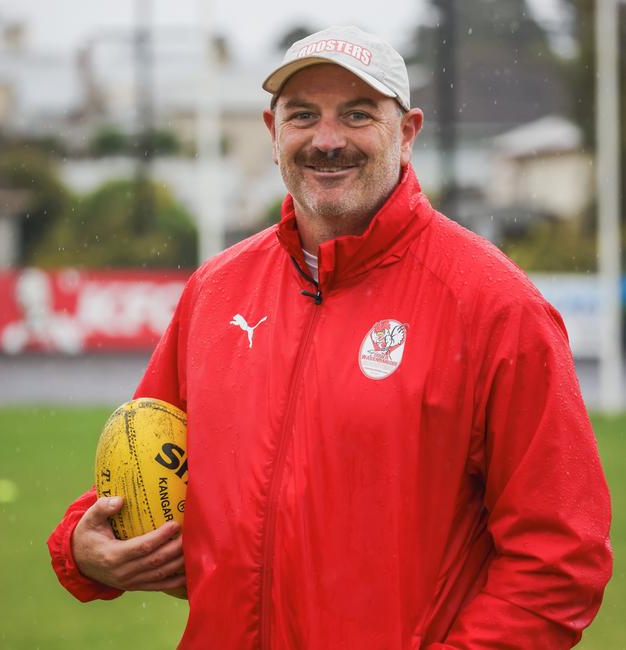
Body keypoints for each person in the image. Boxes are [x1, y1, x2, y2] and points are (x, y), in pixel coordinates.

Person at [48, 25, 612, 649]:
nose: (326, 140)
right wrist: (81, 545)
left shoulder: (495, 305)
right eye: (303, 115)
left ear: (407, 133)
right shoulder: (217, 290)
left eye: (357, 114)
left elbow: (560, 555)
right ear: (272, 133)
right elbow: (147, 453)